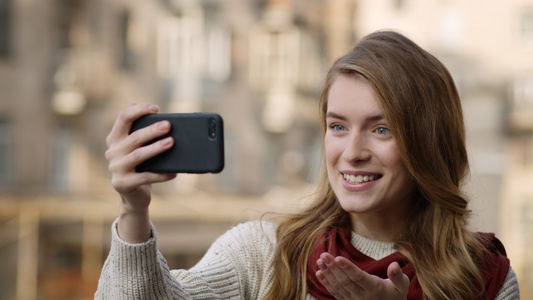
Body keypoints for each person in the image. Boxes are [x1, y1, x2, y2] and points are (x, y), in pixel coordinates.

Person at [96, 30, 520, 299]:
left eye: (381, 129)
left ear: (428, 144)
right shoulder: (263, 254)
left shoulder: (485, 278)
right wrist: (133, 210)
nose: (351, 152)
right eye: (338, 126)